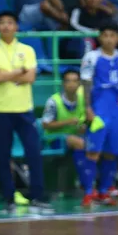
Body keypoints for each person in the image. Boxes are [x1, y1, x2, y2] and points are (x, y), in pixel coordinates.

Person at [0, 11, 51, 212]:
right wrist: (19, 72)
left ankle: (37, 195)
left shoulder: (27, 50)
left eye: (10, 22)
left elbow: (30, 77)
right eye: (2, 22)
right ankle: (9, 198)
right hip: (1, 109)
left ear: (16, 26)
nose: (6, 26)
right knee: (3, 155)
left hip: (24, 109)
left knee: (34, 152)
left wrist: (8, 75)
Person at [80, 22, 118, 206]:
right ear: (100, 37)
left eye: (113, 35)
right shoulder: (92, 57)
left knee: (113, 151)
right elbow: (86, 83)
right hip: (99, 108)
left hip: (116, 110)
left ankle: (104, 191)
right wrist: (88, 108)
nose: (109, 39)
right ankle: (89, 192)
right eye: (106, 35)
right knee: (93, 151)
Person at [41, 69, 90, 203]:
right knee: (79, 143)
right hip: (53, 139)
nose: (71, 84)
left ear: (79, 84)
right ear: (63, 84)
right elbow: (45, 124)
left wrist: (82, 127)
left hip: (74, 137)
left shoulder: (82, 100)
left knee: (94, 144)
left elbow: (83, 121)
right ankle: (88, 187)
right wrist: (68, 122)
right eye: (68, 81)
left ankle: (96, 185)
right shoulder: (54, 101)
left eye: (75, 81)